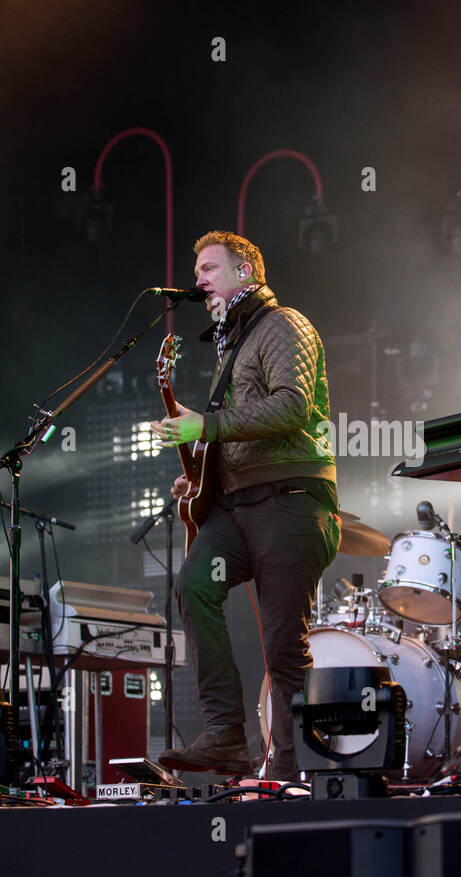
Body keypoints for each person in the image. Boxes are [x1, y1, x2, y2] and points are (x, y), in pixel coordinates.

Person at [153, 232, 339, 780]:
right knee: (193, 585)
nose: (199, 279)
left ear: (247, 272)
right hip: (238, 507)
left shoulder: (284, 324)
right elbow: (238, 433)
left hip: (292, 503)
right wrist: (202, 479)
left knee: (283, 647)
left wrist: (205, 424)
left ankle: (289, 772)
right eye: (197, 269)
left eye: (210, 267)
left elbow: (291, 406)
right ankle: (227, 736)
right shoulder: (230, 345)